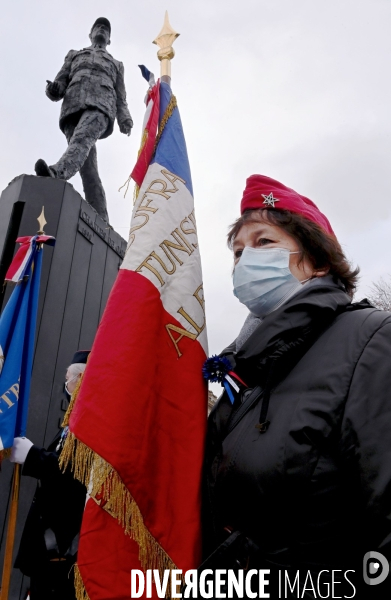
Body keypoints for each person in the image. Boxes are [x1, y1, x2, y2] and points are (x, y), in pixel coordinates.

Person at [202, 174, 391, 598]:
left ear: (317, 261)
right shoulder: (245, 370)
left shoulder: (372, 341)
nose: (244, 260)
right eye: (237, 251)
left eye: (264, 242)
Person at [34, 17, 133, 222]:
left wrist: (125, 119)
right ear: (90, 33)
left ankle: (56, 173)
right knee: (88, 169)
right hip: (72, 108)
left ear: (110, 38)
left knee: (81, 141)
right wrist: (53, 89)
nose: (102, 30)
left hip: (101, 108)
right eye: (98, 26)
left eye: (106, 29)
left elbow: (121, 96)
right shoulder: (74, 55)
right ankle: (102, 219)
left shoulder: (116, 64)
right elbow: (60, 83)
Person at [11, 350, 90, 600]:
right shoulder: (72, 423)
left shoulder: (90, 423)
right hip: (47, 548)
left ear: (81, 380)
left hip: (60, 547)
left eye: (69, 378)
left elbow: (73, 472)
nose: (65, 384)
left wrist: (33, 455)